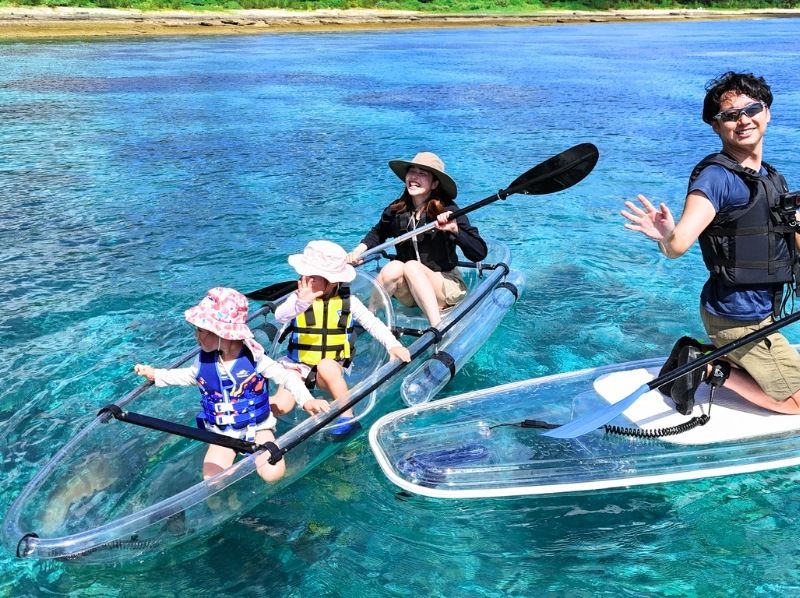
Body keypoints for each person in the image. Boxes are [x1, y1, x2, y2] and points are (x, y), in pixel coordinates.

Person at [621, 71, 800, 416]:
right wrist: (666, 236)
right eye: (730, 115)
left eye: (752, 109)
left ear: (768, 113)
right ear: (716, 126)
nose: (744, 120)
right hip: (737, 318)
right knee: (797, 403)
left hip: (757, 312)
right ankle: (706, 366)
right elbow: (678, 245)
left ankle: (715, 355)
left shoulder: (772, 178)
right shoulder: (716, 179)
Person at [134, 287, 316, 483]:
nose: (197, 336)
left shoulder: (254, 358)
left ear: (222, 334)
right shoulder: (204, 361)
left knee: (273, 474)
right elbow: (189, 376)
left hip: (257, 428)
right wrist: (157, 375)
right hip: (223, 432)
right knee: (213, 481)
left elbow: (286, 377)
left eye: (201, 330)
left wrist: (307, 400)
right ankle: (231, 498)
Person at [273, 240, 412, 439]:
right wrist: (301, 303)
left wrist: (393, 345)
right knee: (282, 406)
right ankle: (254, 422)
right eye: (305, 275)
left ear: (332, 281)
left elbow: (372, 324)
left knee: (326, 366)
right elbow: (280, 316)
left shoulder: (349, 302)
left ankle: (347, 417)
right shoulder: (297, 300)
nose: (306, 280)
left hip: (332, 366)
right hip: (296, 365)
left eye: (314, 277)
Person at [346, 152, 488, 327]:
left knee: (412, 266)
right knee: (393, 267)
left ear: (435, 183)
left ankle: (438, 330)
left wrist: (455, 229)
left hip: (444, 285)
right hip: (411, 289)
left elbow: (479, 252)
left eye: (422, 173)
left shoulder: (448, 210)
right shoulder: (397, 210)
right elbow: (377, 233)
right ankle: (368, 321)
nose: (414, 177)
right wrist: (358, 251)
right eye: (411, 171)